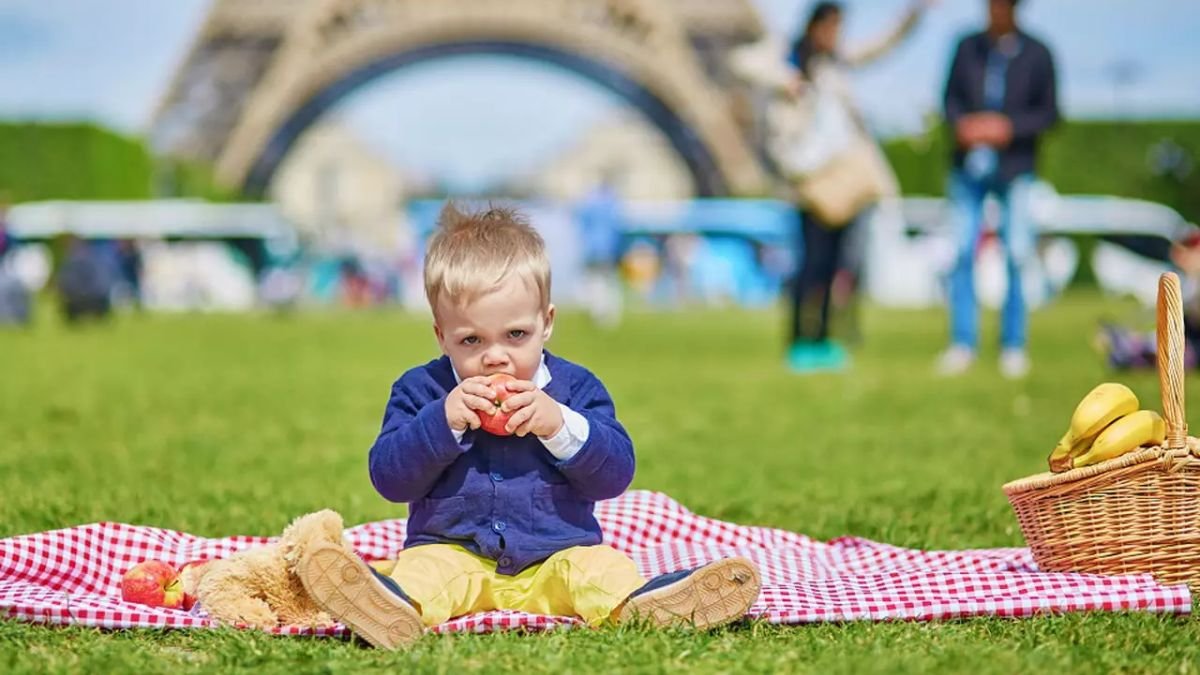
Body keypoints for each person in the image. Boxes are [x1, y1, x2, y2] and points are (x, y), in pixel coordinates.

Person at [294, 203, 762, 650]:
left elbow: (616, 474)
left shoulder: (575, 388)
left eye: (516, 335)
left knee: (602, 570)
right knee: (423, 575)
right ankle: (390, 609)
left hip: (558, 555)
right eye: (471, 339)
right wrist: (443, 422)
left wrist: (558, 426)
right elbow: (389, 479)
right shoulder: (423, 390)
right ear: (441, 335)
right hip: (454, 553)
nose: (495, 355)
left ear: (547, 323)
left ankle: (649, 606)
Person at [731, 1, 932, 373]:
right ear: (813, 26)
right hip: (809, 178)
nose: (834, 36)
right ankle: (798, 340)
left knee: (835, 264)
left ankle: (822, 338)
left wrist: (911, 16)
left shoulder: (835, 63)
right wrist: (786, 79)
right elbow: (741, 62)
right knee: (812, 262)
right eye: (830, 28)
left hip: (844, 178)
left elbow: (879, 46)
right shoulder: (787, 58)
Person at [936, 0, 1059, 379]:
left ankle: (1013, 345)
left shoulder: (1038, 52)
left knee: (1018, 253)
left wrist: (1008, 127)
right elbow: (949, 101)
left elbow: (1050, 112)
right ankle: (962, 343)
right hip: (967, 165)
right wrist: (965, 125)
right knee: (961, 252)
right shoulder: (966, 46)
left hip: (1015, 166)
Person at [575, 177, 625, 328]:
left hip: (593, 249)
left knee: (596, 282)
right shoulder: (612, 205)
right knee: (607, 281)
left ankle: (598, 312)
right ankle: (606, 315)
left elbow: (582, 224)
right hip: (607, 249)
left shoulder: (590, 204)